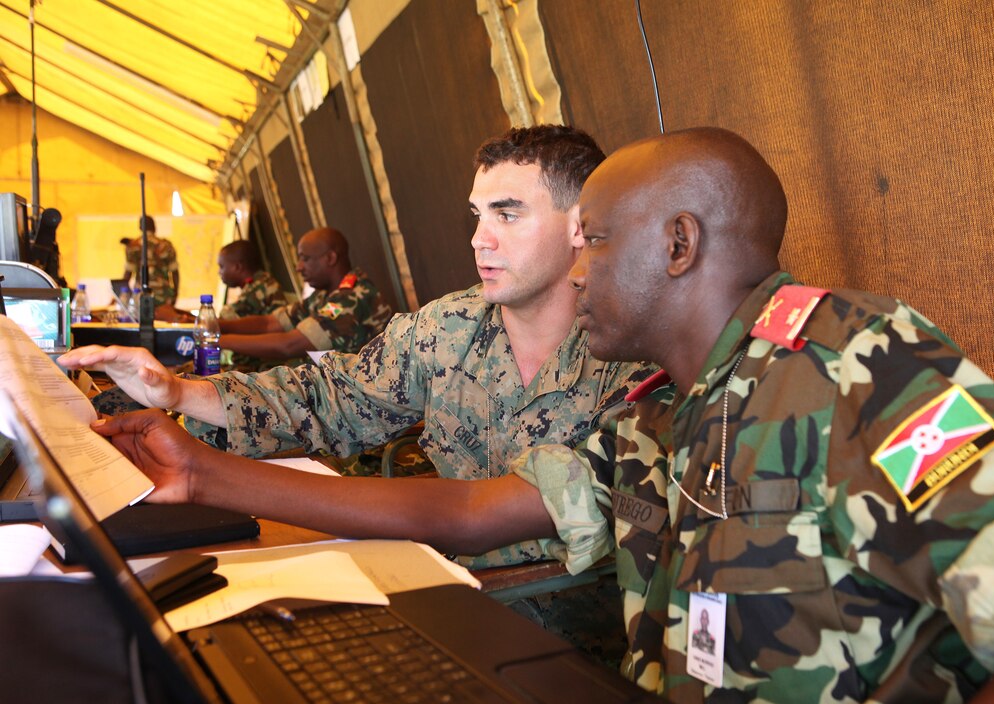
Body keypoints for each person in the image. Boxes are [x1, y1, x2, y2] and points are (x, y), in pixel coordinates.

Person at [78, 127, 994, 704]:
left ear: (680, 243)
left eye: (592, 242)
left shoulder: (855, 358)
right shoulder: (659, 412)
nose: (575, 268)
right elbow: (475, 508)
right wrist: (203, 475)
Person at [60, 125, 656, 658]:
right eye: (476, 215)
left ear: (581, 224)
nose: (479, 239)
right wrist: (179, 391)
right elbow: (333, 396)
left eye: (507, 214)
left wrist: (205, 472)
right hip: (435, 591)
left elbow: (489, 520)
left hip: (562, 639)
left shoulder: (636, 357)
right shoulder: (448, 327)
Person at [214, 227, 392, 362]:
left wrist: (217, 340)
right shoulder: (325, 295)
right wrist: (217, 325)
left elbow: (289, 345)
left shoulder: (350, 299)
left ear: (330, 258)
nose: (299, 267)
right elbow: (271, 323)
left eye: (305, 259)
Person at [215, 239, 288, 371]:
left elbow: (225, 320)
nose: (219, 272)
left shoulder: (258, 288)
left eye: (222, 267)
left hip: (263, 367)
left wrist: (194, 321)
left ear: (237, 267)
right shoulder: (259, 282)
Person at [123, 215, 179, 315]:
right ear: (154, 227)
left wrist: (127, 296)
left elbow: (127, 275)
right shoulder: (166, 246)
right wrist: (175, 294)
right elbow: (175, 273)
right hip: (163, 297)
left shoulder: (133, 246)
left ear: (140, 227)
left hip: (140, 297)